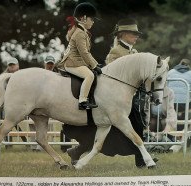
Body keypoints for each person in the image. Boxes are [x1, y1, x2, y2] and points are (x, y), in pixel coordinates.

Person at [65, 18, 158, 168]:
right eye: (133, 34)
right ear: (123, 35)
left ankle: (78, 151)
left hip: (127, 96)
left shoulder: (133, 52)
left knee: (120, 129)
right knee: (129, 127)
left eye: (137, 34)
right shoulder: (116, 51)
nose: (136, 36)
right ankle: (142, 160)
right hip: (115, 98)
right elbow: (112, 72)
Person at [59, 2, 102, 110]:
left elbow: (86, 53)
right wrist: (94, 66)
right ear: (84, 18)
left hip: (76, 61)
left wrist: (95, 64)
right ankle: (82, 101)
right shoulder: (80, 33)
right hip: (72, 63)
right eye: (92, 19)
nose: (93, 22)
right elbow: (84, 52)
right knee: (90, 75)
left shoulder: (82, 31)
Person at [145, 86, 178, 153]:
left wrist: (167, 129)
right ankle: (153, 143)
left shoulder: (170, 92)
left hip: (164, 118)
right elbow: (146, 111)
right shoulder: (148, 93)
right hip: (152, 118)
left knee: (165, 122)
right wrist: (147, 128)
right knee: (152, 123)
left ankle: (162, 144)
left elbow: (170, 110)